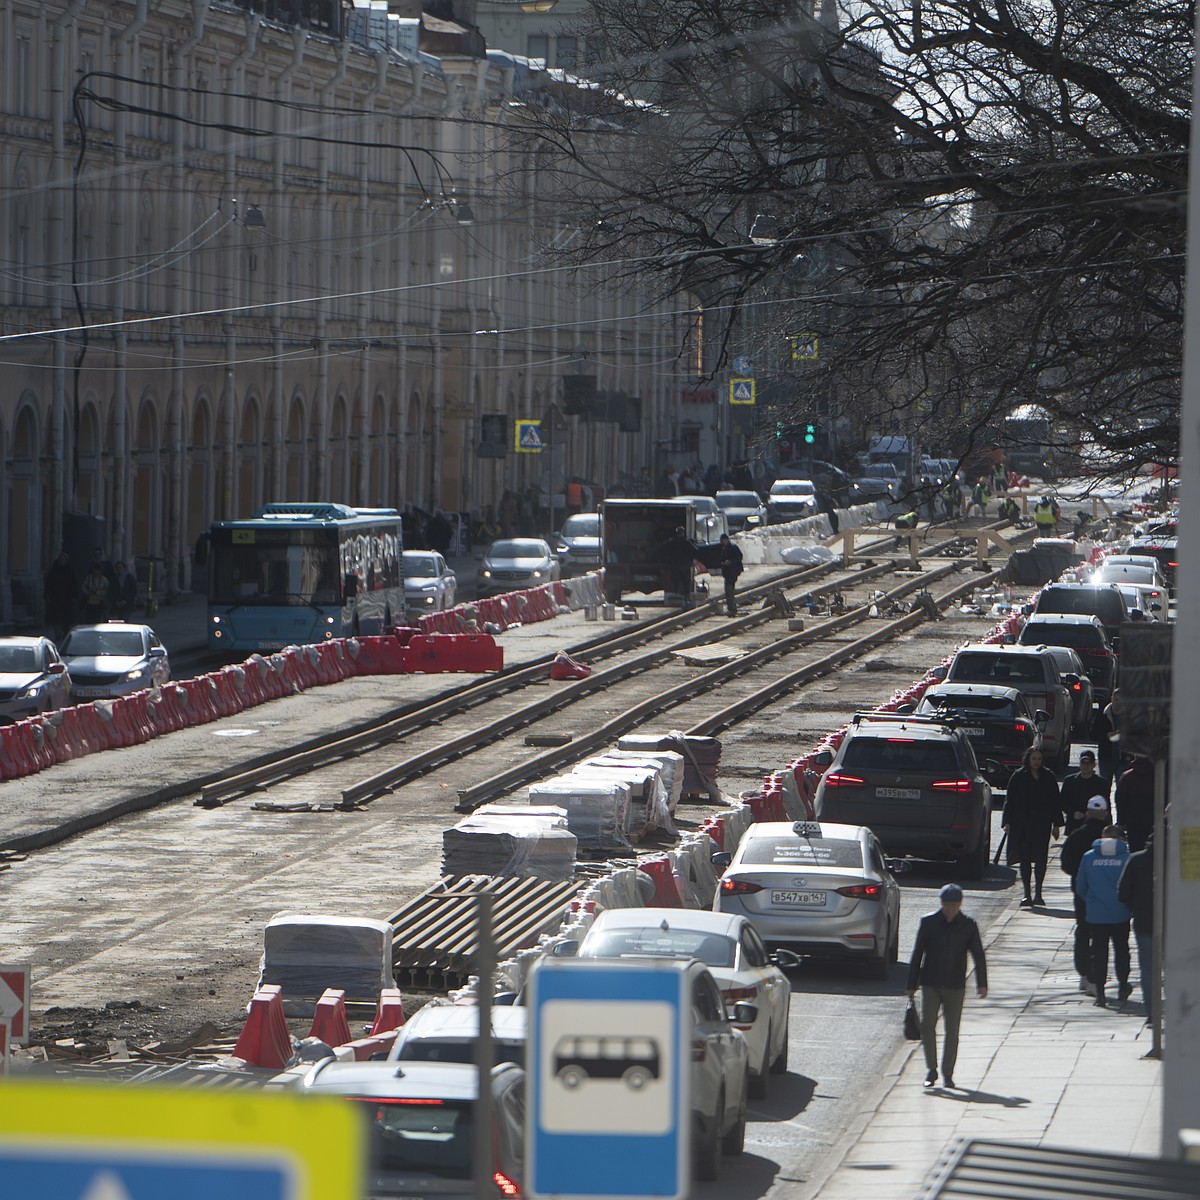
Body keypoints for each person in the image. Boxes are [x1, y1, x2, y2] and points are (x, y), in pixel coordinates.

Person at [905, 883, 988, 1090]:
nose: (950, 909)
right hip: (931, 982)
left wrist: (982, 983)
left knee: (952, 1030)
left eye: (954, 905)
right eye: (947, 905)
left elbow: (978, 954)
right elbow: (917, 954)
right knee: (927, 1026)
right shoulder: (929, 923)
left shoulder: (968, 925)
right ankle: (931, 1069)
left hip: (955, 984)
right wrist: (911, 984)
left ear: (960, 904)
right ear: (941, 904)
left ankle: (948, 1073)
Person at [1075, 824, 1133, 1008]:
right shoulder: (1126, 858)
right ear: (1121, 840)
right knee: (1122, 951)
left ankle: (1100, 993)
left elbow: (1080, 887)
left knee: (1099, 954)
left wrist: (1093, 901)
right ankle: (1123, 986)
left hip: (1097, 915)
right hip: (1121, 914)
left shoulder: (1088, 857)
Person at [1061, 796, 1112, 996]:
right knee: (1100, 935)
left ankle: (1084, 973)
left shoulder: (1076, 836)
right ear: (1106, 814)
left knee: (1083, 930)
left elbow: (1066, 865)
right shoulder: (1110, 840)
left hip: (1082, 891)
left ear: (1088, 813)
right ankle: (1095, 975)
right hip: (1105, 893)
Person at [1002, 745, 1063, 907]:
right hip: (1022, 824)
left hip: (1041, 825)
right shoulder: (1018, 777)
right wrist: (1006, 822)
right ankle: (1027, 894)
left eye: (1039, 759)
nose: (1036, 762)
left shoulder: (1048, 777)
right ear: (1028, 759)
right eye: (1033, 759)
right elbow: (1010, 801)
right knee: (1025, 859)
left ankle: (1038, 893)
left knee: (1041, 859)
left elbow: (1055, 802)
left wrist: (1056, 824)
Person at [1117, 831, 1155, 1016]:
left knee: (1147, 968)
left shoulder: (1136, 860)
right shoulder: (1178, 858)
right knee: (1174, 967)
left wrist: (1135, 908)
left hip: (1144, 921)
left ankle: (1151, 1012)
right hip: (1175, 924)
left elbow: (1122, 892)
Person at [1060, 750, 1110, 834]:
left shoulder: (1102, 783)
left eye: (1089, 763)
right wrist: (1073, 813)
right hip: (1074, 824)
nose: (1085, 766)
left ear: (1094, 765)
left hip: (1095, 825)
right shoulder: (1070, 781)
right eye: (1083, 763)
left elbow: (1106, 805)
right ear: (1079, 764)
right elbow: (1062, 802)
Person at [1115, 756, 1154, 852]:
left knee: (1135, 851)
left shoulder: (1127, 776)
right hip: (1154, 820)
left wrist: (1121, 821)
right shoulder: (1159, 775)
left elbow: (1120, 800)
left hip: (1133, 821)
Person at [660, 525, 696, 610]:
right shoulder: (687, 543)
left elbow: (663, 549)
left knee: (676, 582)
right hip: (684, 566)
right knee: (685, 583)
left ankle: (677, 598)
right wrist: (690, 560)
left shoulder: (671, 542)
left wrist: (668, 561)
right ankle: (686, 599)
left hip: (675, 566)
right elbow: (695, 551)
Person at [43, 551, 77, 642]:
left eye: (64, 559)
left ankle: (66, 634)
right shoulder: (53, 571)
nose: (62, 561)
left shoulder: (70, 571)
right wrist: (46, 596)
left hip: (67, 599)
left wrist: (74, 596)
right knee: (55, 618)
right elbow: (48, 584)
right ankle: (58, 634)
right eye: (61, 559)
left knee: (66, 619)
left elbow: (74, 584)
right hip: (55, 599)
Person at [717, 533, 743, 617]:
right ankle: (732, 608)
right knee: (729, 591)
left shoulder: (733, 547)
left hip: (732, 571)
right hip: (728, 572)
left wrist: (730, 562)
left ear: (726, 539)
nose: (722, 542)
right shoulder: (725, 547)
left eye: (723, 541)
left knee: (729, 590)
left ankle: (732, 609)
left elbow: (739, 557)